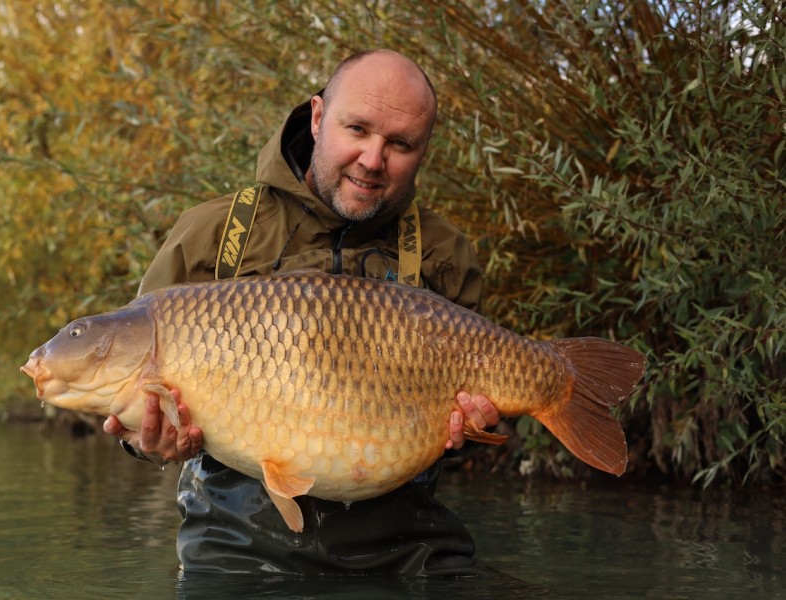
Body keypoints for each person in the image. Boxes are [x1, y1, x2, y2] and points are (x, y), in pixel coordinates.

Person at [104, 49, 502, 576]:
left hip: (408, 555)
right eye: (357, 128)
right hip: (236, 556)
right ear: (317, 118)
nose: (372, 158)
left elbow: (462, 432)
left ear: (423, 151)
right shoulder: (211, 235)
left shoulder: (443, 254)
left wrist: (468, 430)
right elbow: (135, 399)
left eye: (400, 144)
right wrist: (149, 442)